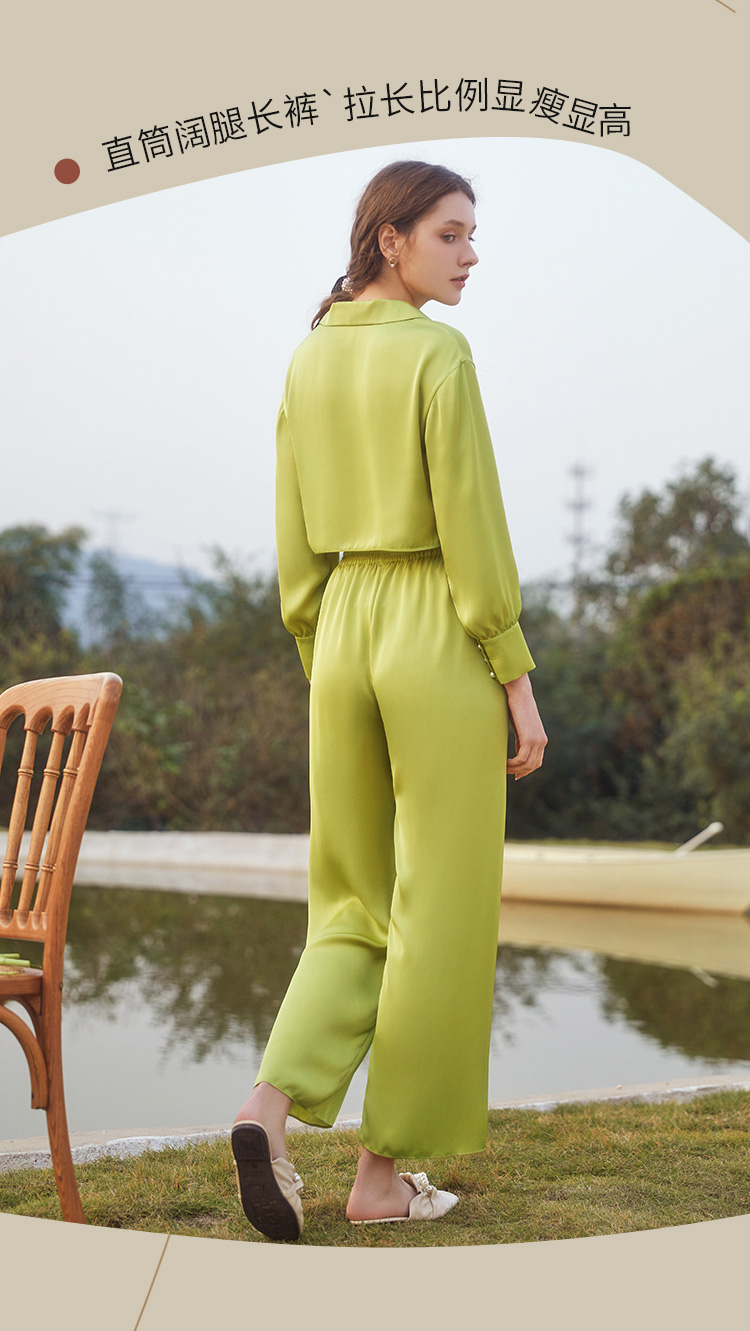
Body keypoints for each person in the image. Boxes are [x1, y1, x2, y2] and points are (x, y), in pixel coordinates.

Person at [231, 159, 548, 1241]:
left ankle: (265, 1109)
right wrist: (515, 679)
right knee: (439, 910)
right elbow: (472, 525)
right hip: (432, 625)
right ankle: (379, 1176)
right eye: (451, 234)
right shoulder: (437, 353)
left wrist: (322, 650)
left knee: (349, 901)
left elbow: (292, 532)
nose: (471, 254)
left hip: (342, 630)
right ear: (390, 239)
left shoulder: (309, 355)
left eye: (472, 235)